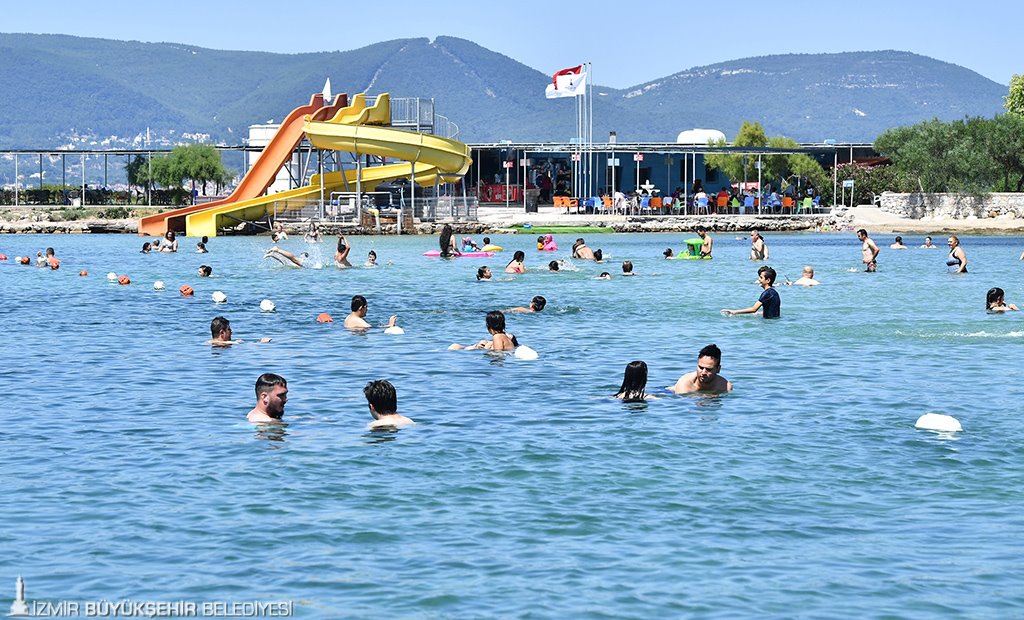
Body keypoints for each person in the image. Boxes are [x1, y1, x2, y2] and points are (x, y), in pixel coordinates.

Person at [450, 310, 519, 351]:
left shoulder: (497, 336)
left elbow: (498, 354)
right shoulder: (504, 336)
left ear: (489, 327)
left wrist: (486, 350)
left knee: (454, 346)